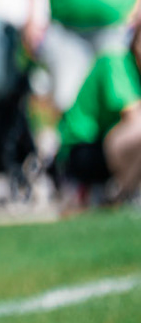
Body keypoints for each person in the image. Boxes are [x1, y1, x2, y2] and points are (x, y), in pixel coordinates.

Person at [55, 26, 141, 201]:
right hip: (82, 150)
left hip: (109, 148)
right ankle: (122, 193)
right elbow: (132, 117)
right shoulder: (116, 62)